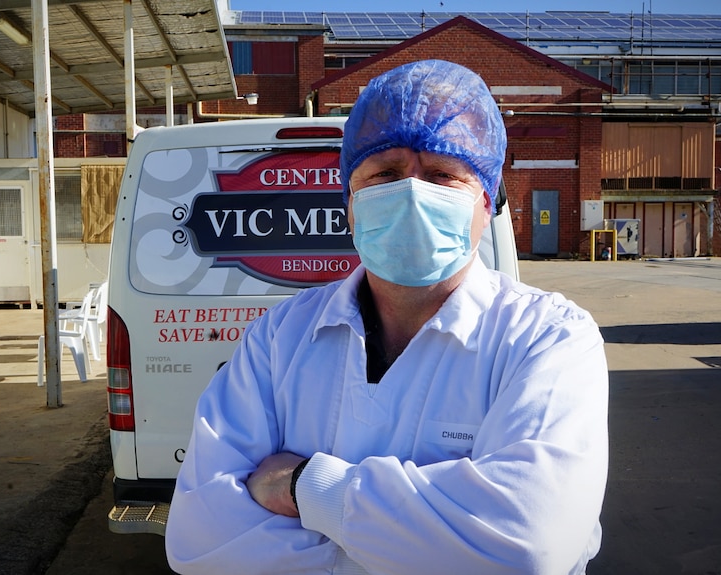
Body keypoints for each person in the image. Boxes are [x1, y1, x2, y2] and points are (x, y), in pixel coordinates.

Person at [165, 59, 608, 575]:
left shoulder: (549, 339)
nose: (413, 193)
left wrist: (303, 486)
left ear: (487, 203)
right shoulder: (280, 337)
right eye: (386, 174)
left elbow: (528, 545)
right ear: (350, 205)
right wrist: (423, 537)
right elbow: (199, 540)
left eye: (443, 174)